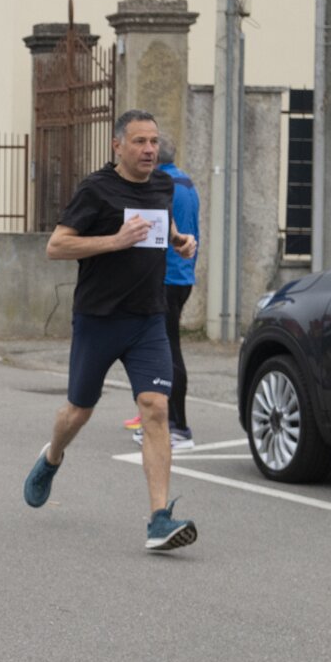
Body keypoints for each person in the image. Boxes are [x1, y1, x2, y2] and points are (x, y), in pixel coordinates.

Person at [22, 109, 200, 551]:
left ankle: (159, 518)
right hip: (99, 319)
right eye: (139, 141)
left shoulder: (163, 185)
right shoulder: (96, 189)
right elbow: (57, 245)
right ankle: (52, 457)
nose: (149, 149)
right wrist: (115, 241)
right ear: (117, 146)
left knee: (155, 407)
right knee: (78, 411)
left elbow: (163, 224)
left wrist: (179, 240)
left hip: (148, 318)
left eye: (154, 141)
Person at [129, 135, 200, 451]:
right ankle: (162, 421)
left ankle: (176, 426)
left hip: (167, 276)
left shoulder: (161, 185)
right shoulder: (186, 183)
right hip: (182, 275)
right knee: (165, 346)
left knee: (167, 350)